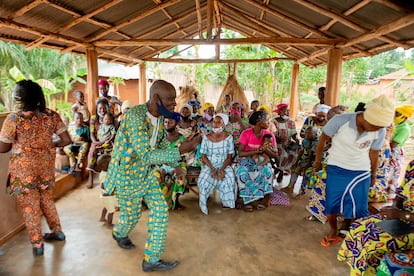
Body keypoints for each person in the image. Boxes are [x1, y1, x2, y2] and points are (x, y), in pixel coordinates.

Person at [104, 80, 199, 272]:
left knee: (161, 210)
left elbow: (162, 144)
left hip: (145, 174)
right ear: (156, 99)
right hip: (126, 176)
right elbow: (146, 154)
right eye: (170, 100)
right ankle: (119, 232)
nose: (174, 104)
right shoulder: (135, 116)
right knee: (132, 216)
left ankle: (151, 259)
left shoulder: (158, 118)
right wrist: (182, 151)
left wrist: (176, 166)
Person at [0, 80, 71, 256]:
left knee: (29, 206)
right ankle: (57, 232)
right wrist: (47, 144)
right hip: (46, 169)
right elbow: (66, 140)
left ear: (19, 98)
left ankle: (37, 244)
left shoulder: (14, 118)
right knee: (47, 200)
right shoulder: (51, 115)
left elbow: (3, 147)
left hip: (24, 172)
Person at [314, 95, 394, 247]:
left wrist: (373, 174)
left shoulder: (380, 129)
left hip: (361, 170)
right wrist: (318, 161)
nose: (379, 130)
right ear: (367, 118)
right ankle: (333, 230)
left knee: (358, 204)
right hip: (336, 167)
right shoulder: (341, 120)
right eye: (376, 126)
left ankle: (347, 224)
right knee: (332, 203)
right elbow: (323, 139)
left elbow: (374, 152)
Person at [337, 159, 414, 275]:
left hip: (410, 223)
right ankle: (356, 269)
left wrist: (401, 215)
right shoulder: (412, 165)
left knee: (371, 245)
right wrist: (394, 207)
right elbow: (400, 193)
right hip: (402, 217)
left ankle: (368, 272)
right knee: (358, 226)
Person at [236, 110, 278, 212]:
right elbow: (240, 153)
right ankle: (247, 200)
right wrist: (257, 150)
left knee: (267, 171)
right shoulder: (246, 134)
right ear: (259, 122)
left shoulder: (269, 135)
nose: (269, 123)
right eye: (267, 120)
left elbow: (275, 155)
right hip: (247, 159)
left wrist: (266, 149)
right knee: (242, 172)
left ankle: (265, 199)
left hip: (263, 160)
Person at [198, 113, 236, 214]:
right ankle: (203, 205)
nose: (215, 124)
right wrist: (213, 169)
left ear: (224, 124)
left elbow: (229, 157)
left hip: (224, 164)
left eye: (219, 122)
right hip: (210, 164)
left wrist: (222, 169)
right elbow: (203, 156)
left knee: (229, 180)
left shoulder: (228, 137)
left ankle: (227, 204)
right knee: (203, 181)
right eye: (214, 121)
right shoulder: (206, 137)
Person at [154, 115, 188, 210]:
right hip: (162, 163)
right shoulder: (160, 138)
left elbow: (184, 155)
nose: (167, 124)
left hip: (178, 163)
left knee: (180, 177)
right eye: (165, 122)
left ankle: (176, 201)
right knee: (156, 176)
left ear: (176, 124)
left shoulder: (182, 139)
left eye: (170, 122)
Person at [389, 104, 414, 192]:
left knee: (391, 175)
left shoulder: (404, 129)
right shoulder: (395, 125)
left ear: (404, 117)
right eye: (395, 113)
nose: (394, 115)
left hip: (395, 153)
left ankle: (389, 197)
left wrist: (386, 135)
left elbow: (393, 145)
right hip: (390, 151)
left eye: (397, 114)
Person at [86, 99, 110, 188]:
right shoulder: (93, 118)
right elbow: (92, 133)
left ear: (107, 108)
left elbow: (113, 132)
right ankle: (90, 177)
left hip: (108, 141)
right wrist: (96, 142)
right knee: (92, 152)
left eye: (104, 108)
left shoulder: (109, 117)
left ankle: (110, 178)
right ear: (97, 109)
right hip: (96, 141)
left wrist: (105, 141)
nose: (102, 110)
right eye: (100, 108)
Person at [272, 103, 300, 178]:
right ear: (280, 112)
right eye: (285, 111)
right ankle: (281, 170)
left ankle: (280, 169)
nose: (287, 113)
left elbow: (294, 133)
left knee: (295, 155)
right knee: (283, 155)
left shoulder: (291, 122)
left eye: (288, 111)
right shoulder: (274, 121)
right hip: (277, 144)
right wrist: (280, 139)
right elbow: (271, 135)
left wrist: (296, 139)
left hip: (288, 144)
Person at [290, 126, 319, 198]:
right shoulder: (305, 140)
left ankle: (303, 191)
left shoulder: (317, 142)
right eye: (306, 133)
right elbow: (301, 151)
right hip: (305, 160)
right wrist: (296, 162)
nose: (307, 135)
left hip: (315, 162)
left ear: (315, 134)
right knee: (294, 168)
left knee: (306, 172)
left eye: (310, 133)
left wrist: (305, 167)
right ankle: (291, 186)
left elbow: (312, 156)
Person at [98, 154, 116, 227]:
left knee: (106, 207)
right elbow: (103, 185)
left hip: (104, 196)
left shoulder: (104, 173)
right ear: (106, 165)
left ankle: (102, 218)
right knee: (111, 211)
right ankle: (109, 224)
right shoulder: (104, 175)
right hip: (107, 196)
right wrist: (112, 189)